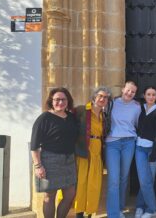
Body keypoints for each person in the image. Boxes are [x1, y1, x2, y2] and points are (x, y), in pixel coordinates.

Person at [31, 87, 79, 218]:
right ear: (51, 101)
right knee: (49, 196)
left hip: (69, 160)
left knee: (70, 194)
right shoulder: (44, 118)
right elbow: (34, 145)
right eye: (57, 99)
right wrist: (38, 166)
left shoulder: (71, 117)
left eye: (64, 99)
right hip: (49, 160)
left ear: (68, 101)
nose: (60, 102)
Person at [75, 86, 112, 218]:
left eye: (106, 97)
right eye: (100, 96)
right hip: (83, 151)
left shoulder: (105, 116)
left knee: (94, 185)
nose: (103, 99)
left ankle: (89, 213)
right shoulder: (81, 110)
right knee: (81, 184)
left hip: (97, 153)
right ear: (94, 96)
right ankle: (79, 214)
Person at [105, 81, 141, 218]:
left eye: (133, 92)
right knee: (114, 179)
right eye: (128, 90)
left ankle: (120, 207)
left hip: (129, 143)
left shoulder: (137, 107)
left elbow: (136, 124)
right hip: (112, 143)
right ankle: (113, 214)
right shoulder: (111, 103)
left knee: (124, 177)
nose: (130, 93)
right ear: (122, 89)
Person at [134, 86, 156, 218]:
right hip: (139, 149)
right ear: (144, 95)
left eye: (153, 95)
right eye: (148, 94)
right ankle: (143, 207)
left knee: (147, 180)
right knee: (144, 180)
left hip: (153, 150)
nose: (151, 97)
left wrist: (155, 153)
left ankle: (149, 208)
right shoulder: (140, 109)